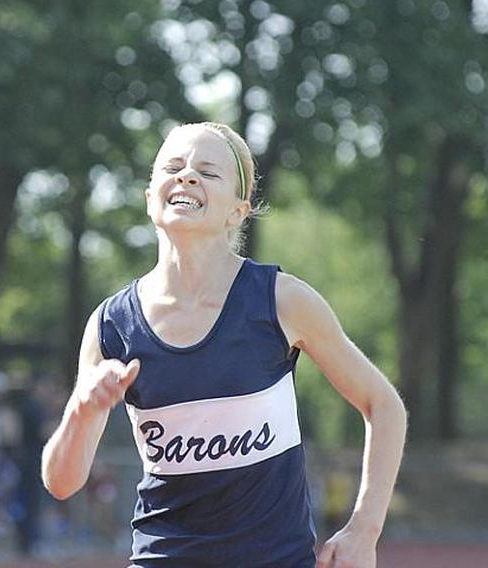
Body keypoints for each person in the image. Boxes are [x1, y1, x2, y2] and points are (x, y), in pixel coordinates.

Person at [41, 122, 407, 567]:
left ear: (238, 210)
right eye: (173, 166)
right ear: (149, 197)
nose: (187, 176)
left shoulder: (281, 300)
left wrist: (363, 531)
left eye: (208, 172)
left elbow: (383, 405)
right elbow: (61, 482)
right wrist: (83, 410)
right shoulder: (111, 325)